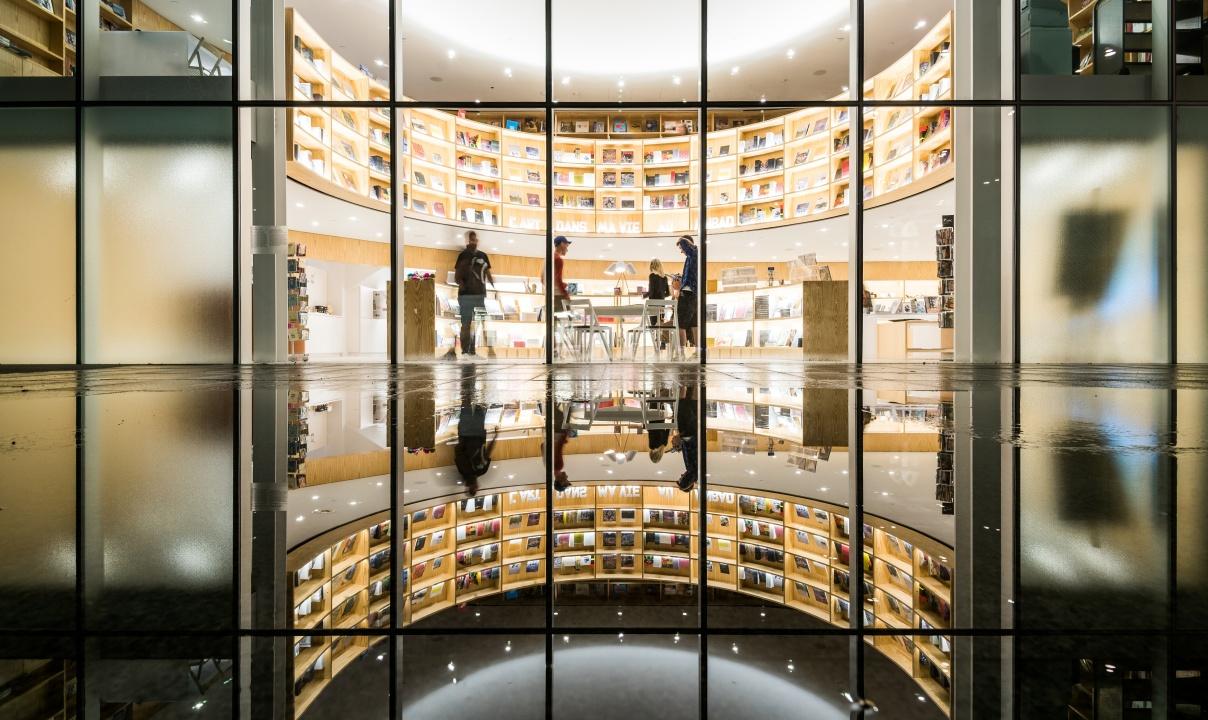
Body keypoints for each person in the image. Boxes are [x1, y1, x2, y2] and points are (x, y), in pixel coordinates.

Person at [453, 365, 498, 496]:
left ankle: (467, 371)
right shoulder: (480, 471)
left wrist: (465, 442)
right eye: (476, 488)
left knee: (467, 399)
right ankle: (475, 374)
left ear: (467, 487)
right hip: (475, 432)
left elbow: (457, 450)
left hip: (469, 431)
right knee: (479, 402)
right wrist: (495, 436)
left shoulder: (464, 470)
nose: (475, 486)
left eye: (472, 488)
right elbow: (488, 452)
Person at [452, 231, 494, 360]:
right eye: (471, 240)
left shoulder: (483, 256)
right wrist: (462, 284)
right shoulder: (462, 256)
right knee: (466, 323)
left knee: (478, 323)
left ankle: (472, 351)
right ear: (467, 241)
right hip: (465, 296)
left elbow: (487, 272)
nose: (473, 242)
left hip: (480, 296)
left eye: (475, 240)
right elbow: (457, 276)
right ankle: (465, 352)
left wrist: (492, 283)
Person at [675, 235, 699, 354]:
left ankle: (681, 353)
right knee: (694, 323)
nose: (681, 250)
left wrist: (680, 240)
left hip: (687, 294)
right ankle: (698, 351)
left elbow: (685, 243)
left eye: (681, 248)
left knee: (681, 324)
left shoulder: (693, 253)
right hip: (693, 294)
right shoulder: (693, 256)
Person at [553, 236, 572, 311]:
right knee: (568, 318)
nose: (567, 250)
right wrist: (566, 294)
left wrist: (564, 284)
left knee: (555, 320)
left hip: (552, 296)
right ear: (562, 244)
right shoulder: (558, 259)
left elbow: (542, 279)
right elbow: (558, 279)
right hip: (559, 296)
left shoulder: (548, 259)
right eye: (566, 246)